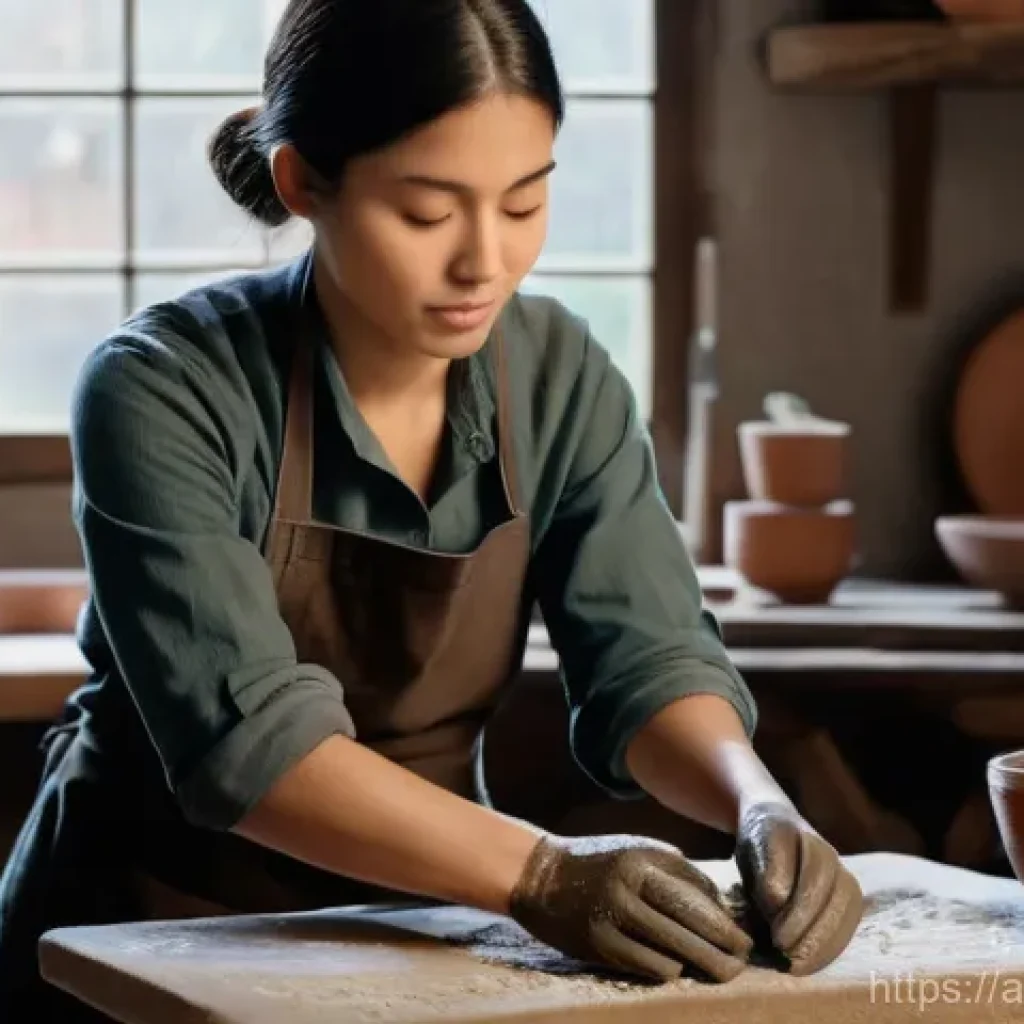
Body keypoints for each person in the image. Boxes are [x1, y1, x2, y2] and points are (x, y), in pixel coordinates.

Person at [0, 0, 863, 1017]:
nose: (484, 261)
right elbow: (250, 748)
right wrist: (542, 873)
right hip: (138, 932)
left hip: (421, 924)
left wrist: (755, 801)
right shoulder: (161, 386)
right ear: (302, 182)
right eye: (426, 213)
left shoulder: (560, 377)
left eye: (523, 203)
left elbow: (648, 660)